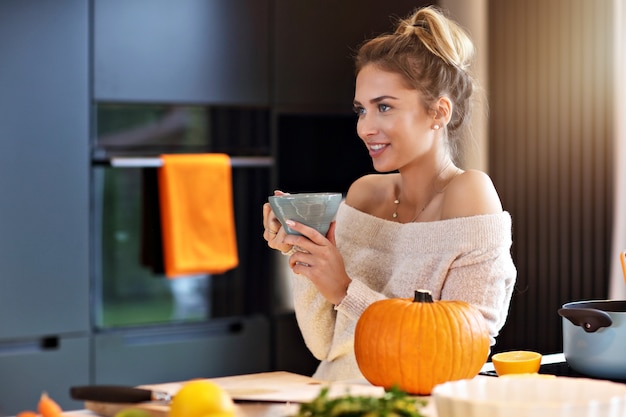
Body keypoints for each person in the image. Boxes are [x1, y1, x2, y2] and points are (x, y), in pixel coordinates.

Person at [262, 5, 516, 381]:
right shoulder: (364, 194)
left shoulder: (469, 192)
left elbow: (464, 345)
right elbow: (325, 346)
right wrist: (304, 253)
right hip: (328, 394)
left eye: (384, 107)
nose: (366, 127)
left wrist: (345, 289)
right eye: (362, 110)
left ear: (438, 112)